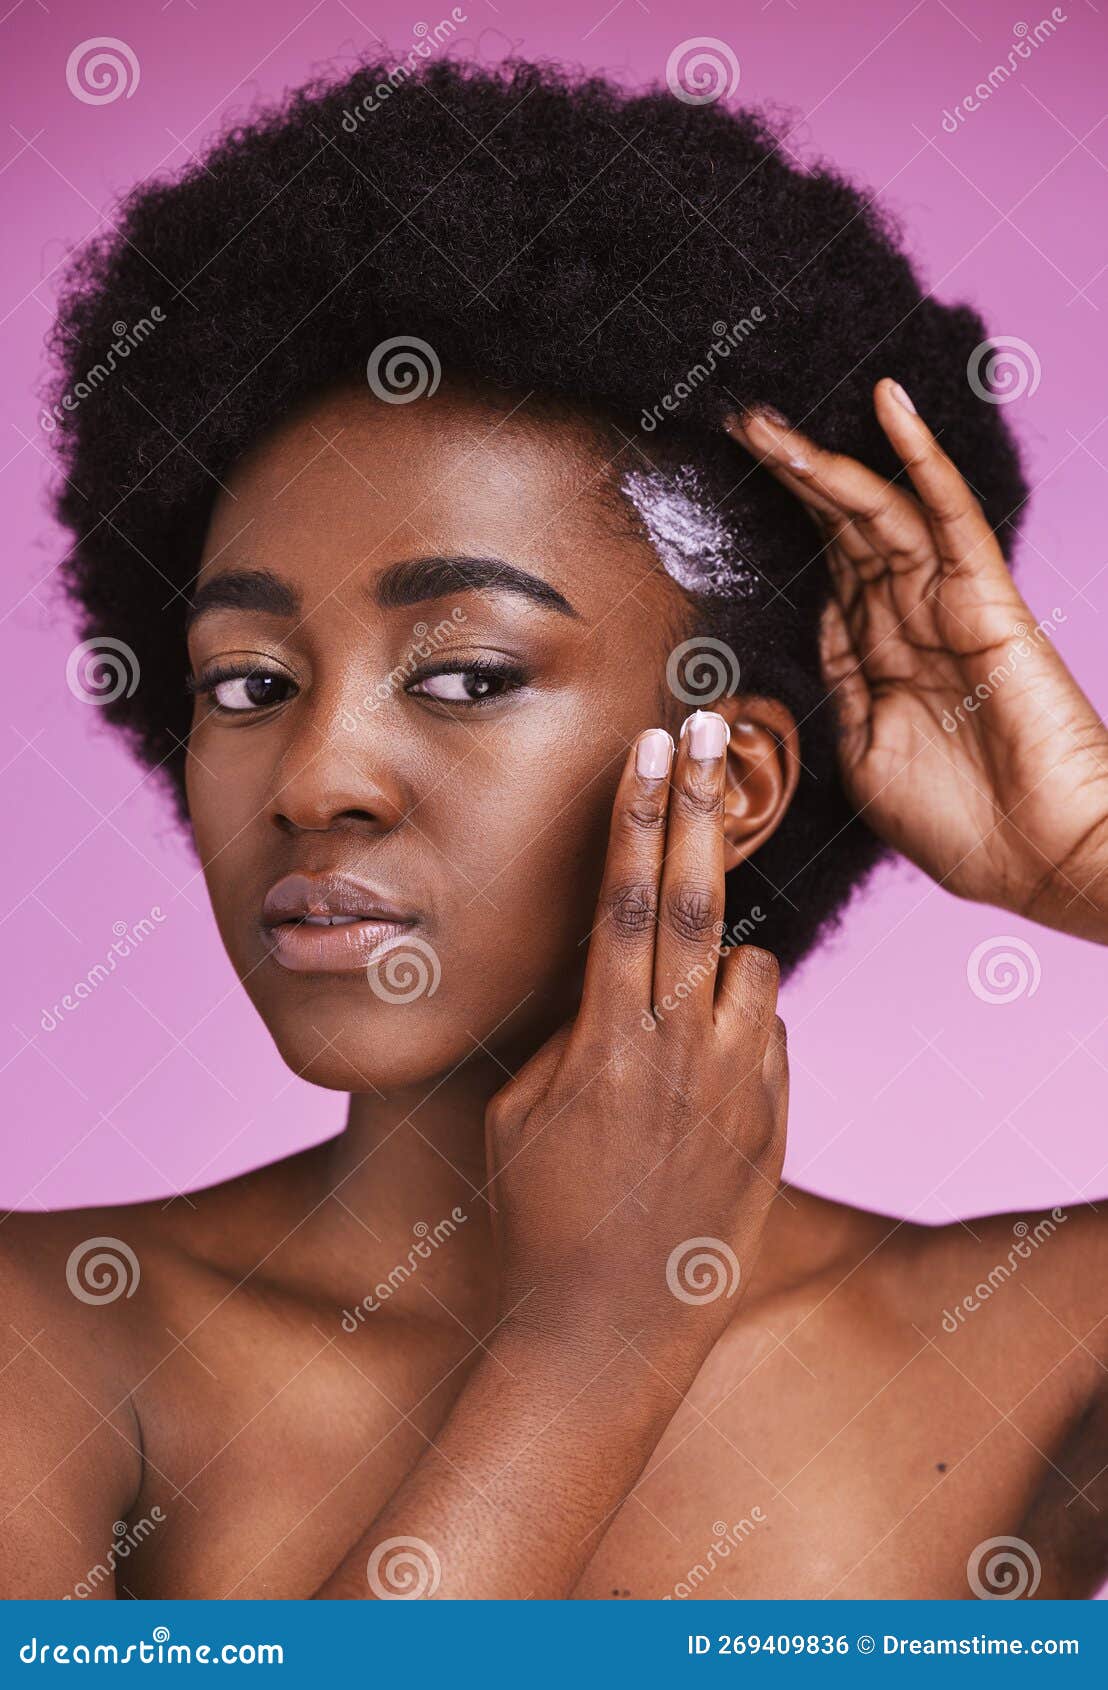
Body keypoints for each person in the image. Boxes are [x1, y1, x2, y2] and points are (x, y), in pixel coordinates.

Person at [2, 58, 1103, 1601]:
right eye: (247, 681)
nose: (316, 776)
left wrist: (1092, 859)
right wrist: (592, 1343)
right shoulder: (54, 1331)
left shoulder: (1024, 1341)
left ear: (730, 773)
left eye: (463, 673)